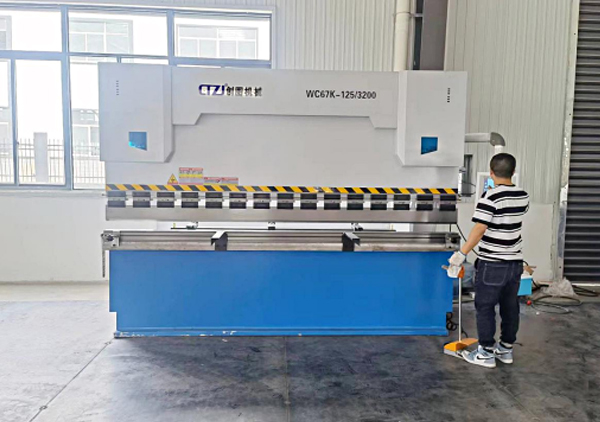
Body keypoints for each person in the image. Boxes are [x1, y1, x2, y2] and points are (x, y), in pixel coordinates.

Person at [448, 153, 529, 368]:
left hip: (492, 263)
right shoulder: (523, 196)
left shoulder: (490, 197)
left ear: (491, 173)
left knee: (485, 307)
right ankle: (505, 349)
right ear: (513, 172)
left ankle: (485, 353)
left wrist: (460, 254)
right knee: (510, 307)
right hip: (514, 264)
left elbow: (479, 229)